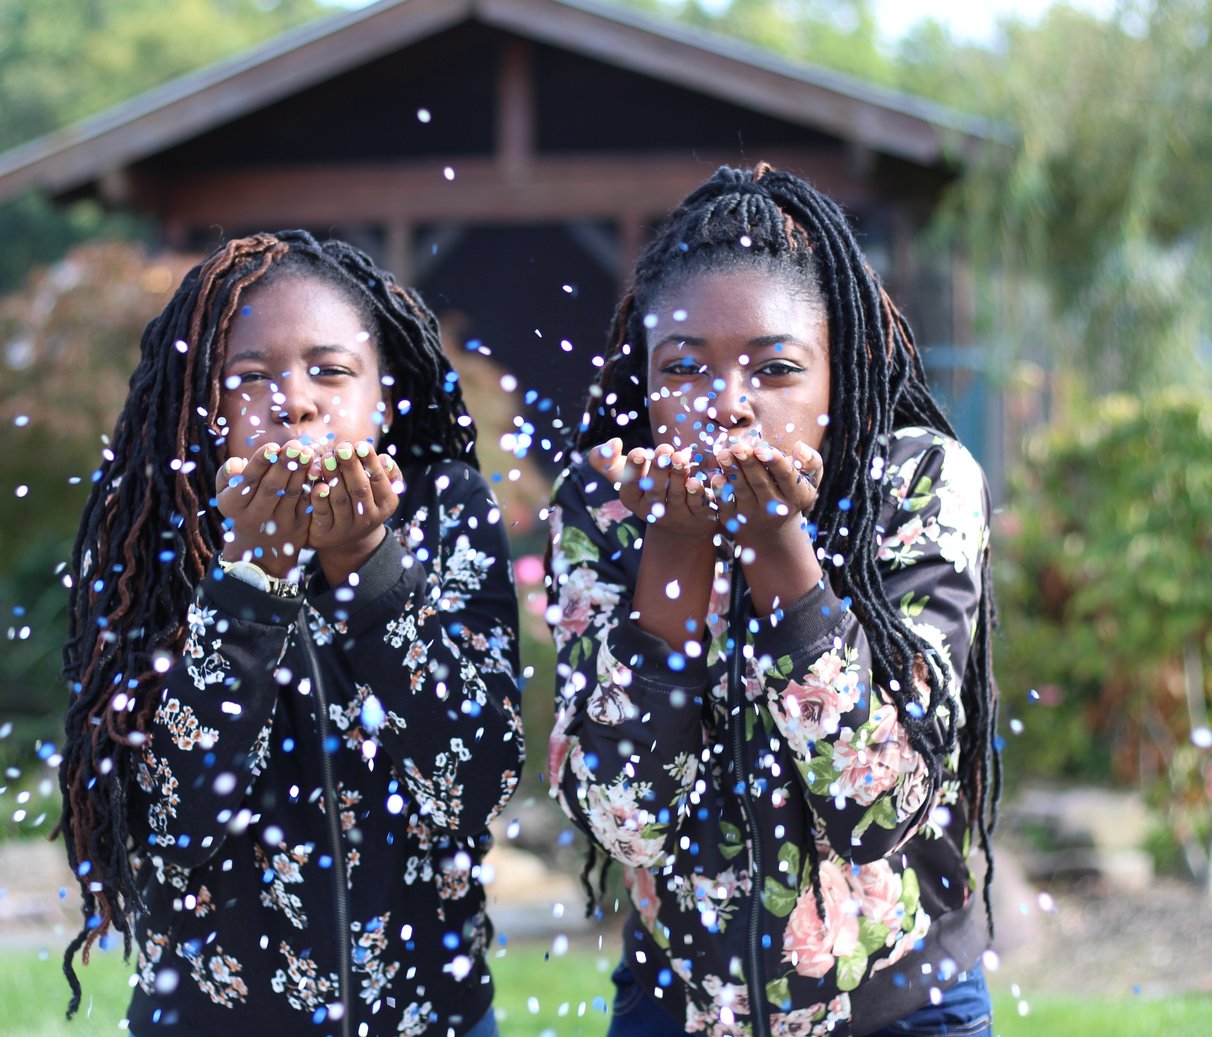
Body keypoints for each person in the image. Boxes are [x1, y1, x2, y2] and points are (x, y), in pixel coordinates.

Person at [546, 166, 999, 1037]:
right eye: (684, 368)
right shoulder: (608, 505)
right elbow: (625, 822)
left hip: (902, 1006)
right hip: (676, 1004)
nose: (727, 406)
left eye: (776, 368)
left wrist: (773, 542)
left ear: (842, 370)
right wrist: (674, 548)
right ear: (644, 377)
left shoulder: (915, 485)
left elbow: (875, 808)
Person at [59, 231, 524, 1036]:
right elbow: (175, 819)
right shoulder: (158, 537)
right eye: (248, 377)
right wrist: (252, 572)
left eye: (331, 370)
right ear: (201, 405)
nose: (294, 400)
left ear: (384, 395)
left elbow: (471, 788)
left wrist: (366, 560)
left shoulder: (445, 510)